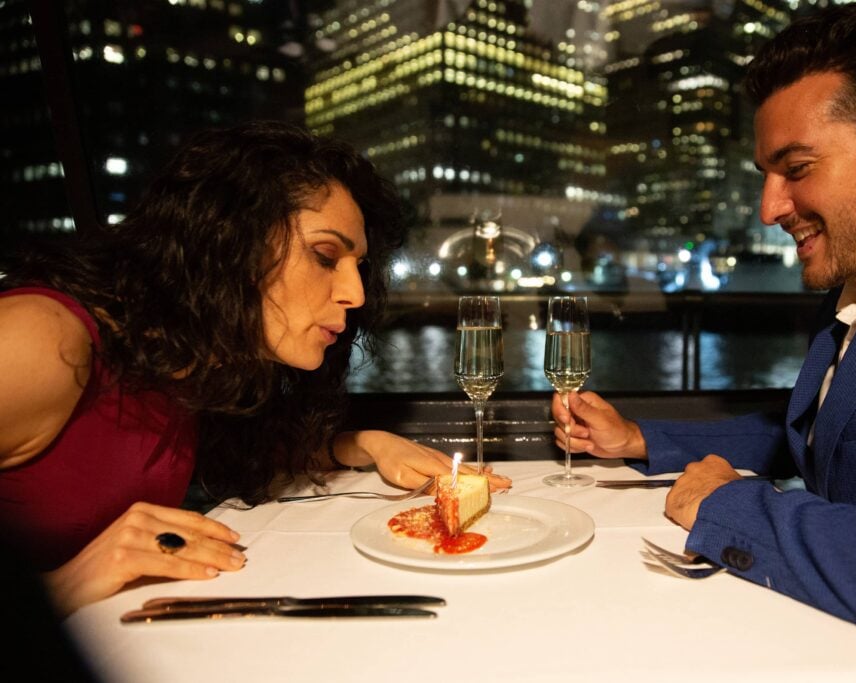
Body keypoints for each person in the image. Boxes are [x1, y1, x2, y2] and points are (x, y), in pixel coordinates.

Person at [552, 3, 856, 679]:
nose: (769, 207)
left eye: (796, 167)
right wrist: (641, 439)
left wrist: (731, 508)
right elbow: (821, 431)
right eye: (766, 176)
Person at [0, 120, 510, 616]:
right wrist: (65, 585)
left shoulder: (186, 365)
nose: (354, 295)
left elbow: (239, 451)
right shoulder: (42, 338)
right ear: (228, 239)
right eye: (324, 255)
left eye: (360, 269)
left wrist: (365, 444)